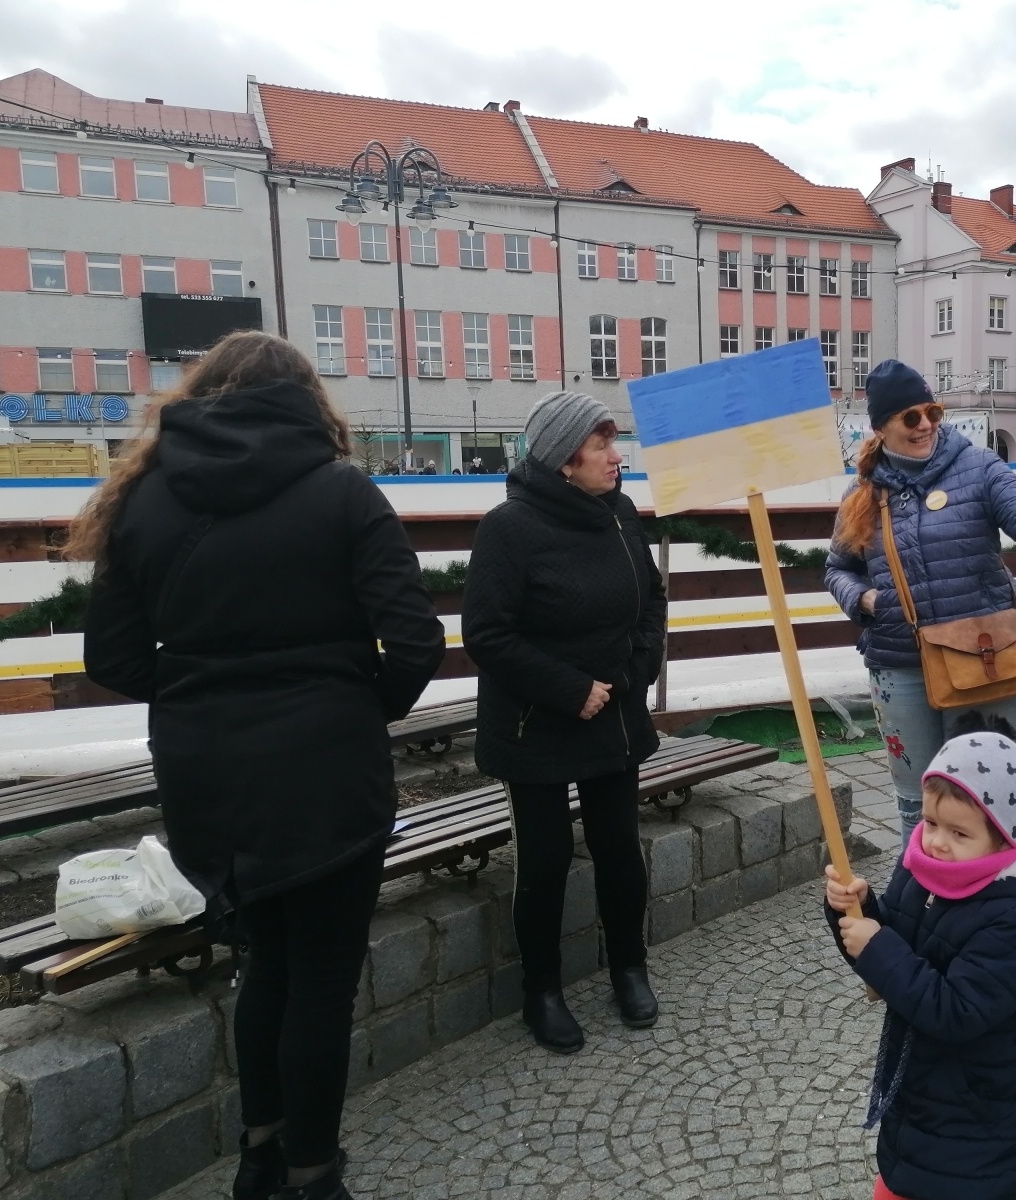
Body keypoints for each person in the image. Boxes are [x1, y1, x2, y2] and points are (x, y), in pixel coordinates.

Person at [71, 331, 445, 1200]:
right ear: (307, 401)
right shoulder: (341, 491)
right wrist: (356, 706)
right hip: (326, 771)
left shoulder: (143, 499)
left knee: (266, 962)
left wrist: (206, 692)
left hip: (207, 774)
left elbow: (114, 660)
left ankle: (258, 1156)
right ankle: (312, 1174)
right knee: (319, 976)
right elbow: (417, 642)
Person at [825, 359, 1016, 846]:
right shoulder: (861, 494)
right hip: (899, 662)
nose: (925, 425)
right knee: (918, 804)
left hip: (985, 658)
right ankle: (922, 909)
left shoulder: (979, 466)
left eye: (932, 412)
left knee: (984, 797)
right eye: (909, 417)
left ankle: (991, 909)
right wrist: (863, 600)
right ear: (880, 427)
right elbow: (837, 567)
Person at [462, 391, 667, 1054]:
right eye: (602, 443)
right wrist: (569, 689)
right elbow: (486, 634)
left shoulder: (620, 513)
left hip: (615, 715)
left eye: (615, 440)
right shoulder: (509, 528)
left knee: (619, 848)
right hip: (536, 723)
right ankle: (541, 991)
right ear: (562, 460)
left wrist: (633, 675)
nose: (616, 454)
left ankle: (628, 967)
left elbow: (651, 601)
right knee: (545, 861)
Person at [824, 717, 1016, 1200]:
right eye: (930, 822)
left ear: (1006, 837)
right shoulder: (922, 869)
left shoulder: (1012, 915)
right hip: (926, 1088)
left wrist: (878, 947)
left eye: (959, 832)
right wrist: (859, 910)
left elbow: (956, 1010)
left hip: (982, 1104)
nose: (936, 842)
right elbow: (896, 951)